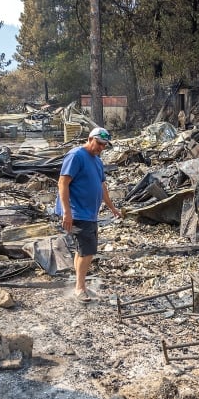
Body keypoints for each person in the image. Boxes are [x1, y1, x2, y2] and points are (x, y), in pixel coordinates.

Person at [56, 127, 122, 302]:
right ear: (90, 138)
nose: (101, 148)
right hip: (77, 212)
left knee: (83, 250)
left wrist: (112, 207)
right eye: (99, 143)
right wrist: (66, 212)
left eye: (104, 145)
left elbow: (102, 187)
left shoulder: (97, 161)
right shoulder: (76, 155)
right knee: (88, 251)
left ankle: (81, 285)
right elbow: (63, 183)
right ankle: (79, 288)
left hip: (90, 213)